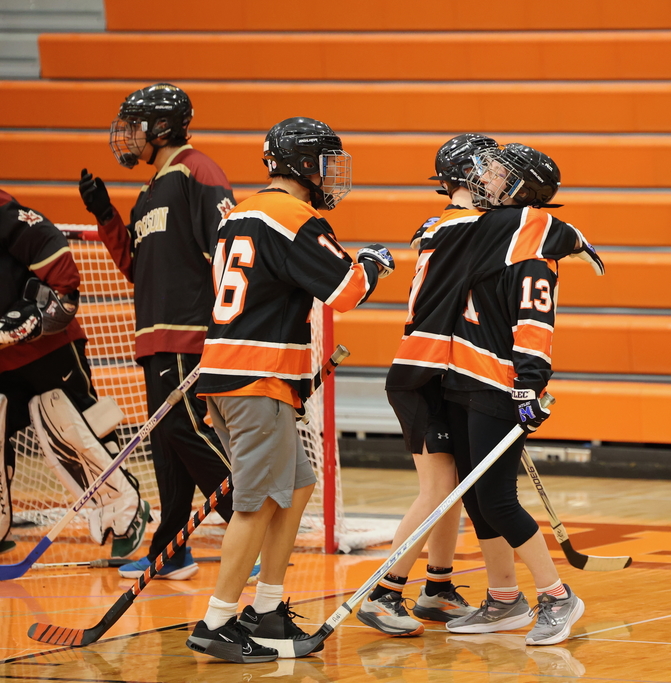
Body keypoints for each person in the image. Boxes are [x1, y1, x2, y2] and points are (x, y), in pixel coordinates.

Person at [185, 116, 396, 663]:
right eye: (326, 163)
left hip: (241, 379)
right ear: (304, 165)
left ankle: (270, 609)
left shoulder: (242, 215)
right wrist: (374, 264)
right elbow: (345, 291)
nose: (332, 176)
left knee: (296, 485)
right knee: (255, 504)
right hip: (254, 382)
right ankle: (217, 622)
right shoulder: (291, 217)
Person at [441, 143, 604, 647]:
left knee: (498, 499)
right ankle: (504, 599)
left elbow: (535, 325)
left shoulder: (530, 241)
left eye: (496, 172)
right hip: (464, 379)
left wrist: (529, 387)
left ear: (520, 189)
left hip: (500, 386)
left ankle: (557, 596)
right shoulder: (498, 230)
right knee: (476, 498)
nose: (484, 177)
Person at [79, 83, 238, 580]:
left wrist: (224, 326)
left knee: (182, 430)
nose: (125, 137)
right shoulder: (148, 193)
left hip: (189, 334)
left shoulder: (198, 171)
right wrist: (105, 215)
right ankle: (171, 549)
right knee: (165, 446)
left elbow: (227, 248)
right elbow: (135, 266)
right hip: (153, 340)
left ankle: (249, 530)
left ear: (160, 127)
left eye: (134, 126)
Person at [358, 134, 499, 637]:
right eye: (492, 169)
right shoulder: (467, 226)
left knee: (453, 485)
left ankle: (438, 588)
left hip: (442, 369)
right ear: (468, 176)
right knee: (438, 487)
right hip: (423, 371)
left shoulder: (454, 224)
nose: (501, 178)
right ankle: (384, 592)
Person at [0, 189, 149, 557]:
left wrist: (27, 319)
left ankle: (124, 515)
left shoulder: (5, 211)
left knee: (76, 427)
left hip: (47, 349)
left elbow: (60, 275)